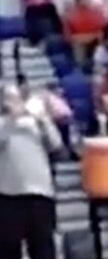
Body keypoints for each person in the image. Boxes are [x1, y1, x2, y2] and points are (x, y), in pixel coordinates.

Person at [0, 82, 62, 259]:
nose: (14, 102)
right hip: (8, 195)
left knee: (42, 245)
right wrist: (12, 119)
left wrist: (43, 119)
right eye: (9, 98)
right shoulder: (2, 124)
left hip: (40, 193)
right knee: (8, 247)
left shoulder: (36, 122)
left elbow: (55, 144)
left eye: (17, 97)